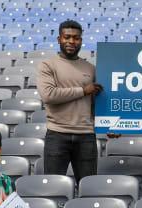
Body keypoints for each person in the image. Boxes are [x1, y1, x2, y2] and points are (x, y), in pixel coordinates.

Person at [37, 20, 103, 184]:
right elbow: (49, 95)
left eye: (76, 38)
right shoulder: (47, 65)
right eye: (67, 37)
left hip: (86, 136)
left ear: (81, 40)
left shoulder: (90, 68)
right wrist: (82, 90)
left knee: (89, 186)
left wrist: (108, 125)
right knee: (52, 186)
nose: (71, 41)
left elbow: (96, 103)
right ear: (59, 39)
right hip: (57, 135)